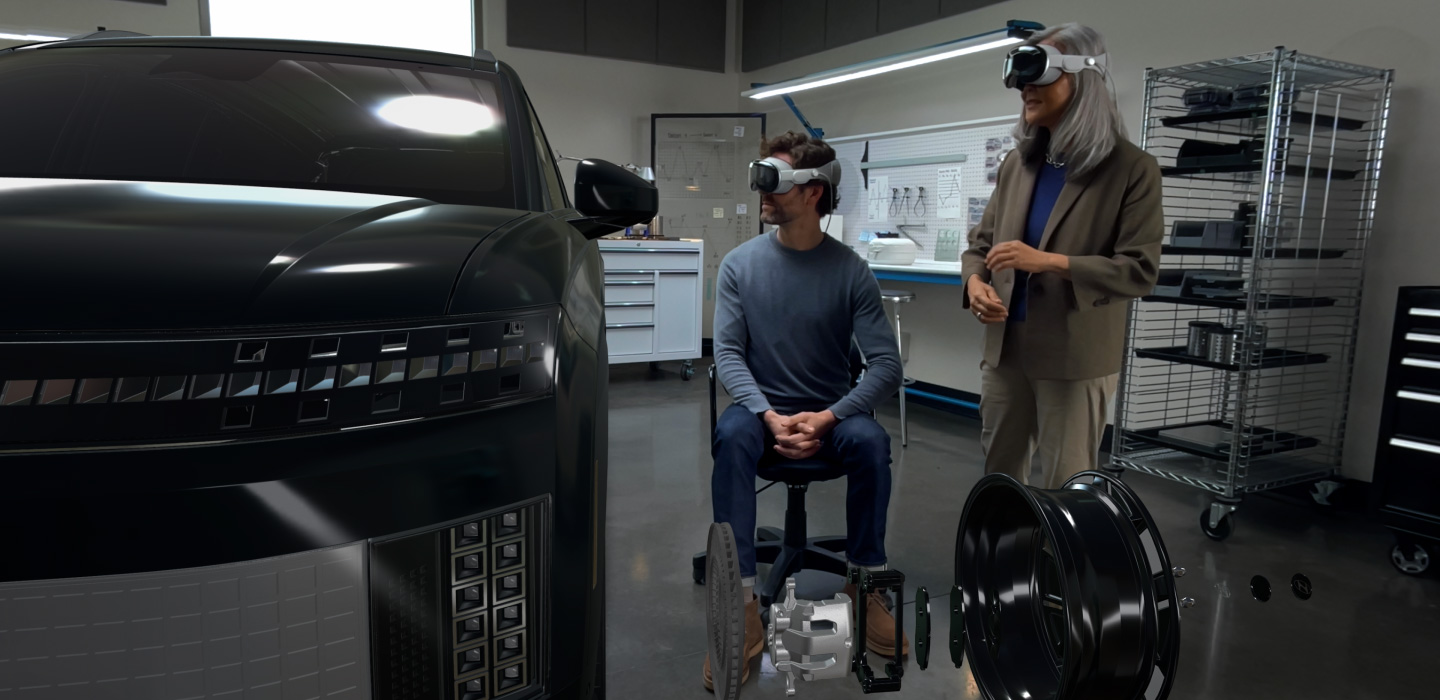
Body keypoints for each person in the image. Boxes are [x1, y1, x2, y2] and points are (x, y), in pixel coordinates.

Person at [702, 131, 907, 690]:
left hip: (830, 418)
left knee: (870, 442)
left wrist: (830, 417)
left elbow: (886, 365)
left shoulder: (851, 271)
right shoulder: (740, 266)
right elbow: (727, 354)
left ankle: (866, 585)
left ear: (814, 191)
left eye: (773, 182)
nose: (761, 192)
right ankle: (742, 605)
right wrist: (768, 414)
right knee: (733, 435)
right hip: (760, 415)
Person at [961, 23, 1163, 489]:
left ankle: (1057, 543)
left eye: (1039, 75)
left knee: (1066, 483)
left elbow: (1140, 270)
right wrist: (975, 283)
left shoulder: (1132, 169)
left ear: (1083, 77)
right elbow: (980, 246)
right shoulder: (1018, 164)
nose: (1025, 89)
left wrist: (1051, 262)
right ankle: (1004, 538)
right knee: (1000, 477)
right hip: (1006, 349)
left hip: (1074, 354)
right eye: (1020, 79)